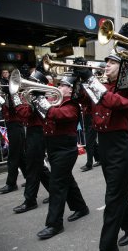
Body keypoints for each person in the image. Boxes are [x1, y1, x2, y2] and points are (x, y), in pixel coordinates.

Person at [77, 23, 128, 251]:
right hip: (103, 144)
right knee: (117, 194)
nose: (106, 65)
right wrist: (82, 83)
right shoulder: (103, 85)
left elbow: (115, 103)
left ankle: (106, 246)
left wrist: (92, 82)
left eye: (112, 62)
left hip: (119, 145)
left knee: (113, 197)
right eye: (106, 61)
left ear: (124, 66)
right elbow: (86, 105)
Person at [32, 74, 89, 239]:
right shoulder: (54, 101)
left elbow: (57, 115)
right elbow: (41, 115)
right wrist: (36, 99)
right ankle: (81, 207)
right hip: (53, 147)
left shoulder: (72, 104)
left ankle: (54, 224)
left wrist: (41, 100)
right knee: (66, 180)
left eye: (63, 85)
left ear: (70, 90)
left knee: (57, 185)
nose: (59, 87)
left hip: (65, 149)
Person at [12, 69, 50, 213]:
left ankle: (30, 200)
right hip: (34, 132)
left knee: (33, 168)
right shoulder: (33, 96)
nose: (28, 84)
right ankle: (54, 191)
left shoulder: (39, 97)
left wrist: (15, 98)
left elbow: (25, 114)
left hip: (37, 133)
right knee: (38, 167)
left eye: (32, 82)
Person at [0, 81, 27, 194]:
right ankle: (30, 178)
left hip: (16, 127)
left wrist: (6, 94)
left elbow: (12, 107)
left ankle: (11, 184)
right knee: (20, 156)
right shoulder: (9, 97)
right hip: (13, 127)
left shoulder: (16, 97)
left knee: (12, 157)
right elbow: (3, 108)